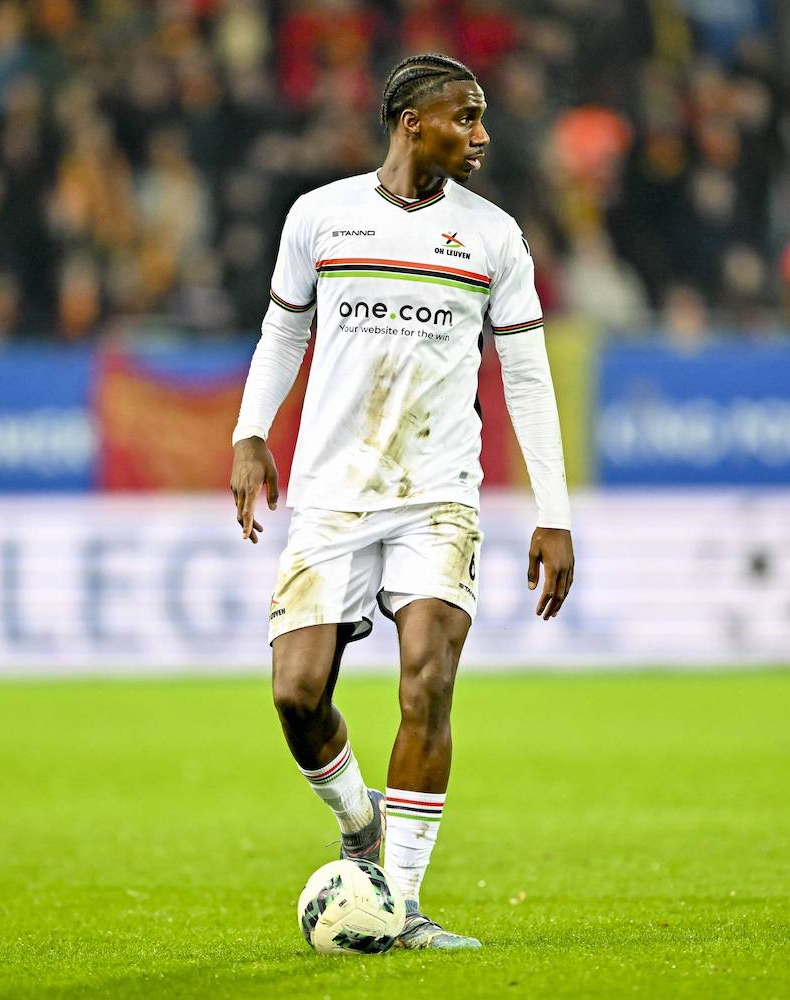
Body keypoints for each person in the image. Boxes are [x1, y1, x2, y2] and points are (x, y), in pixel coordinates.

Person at [228, 53, 574, 950]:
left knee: (427, 679)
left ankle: (404, 904)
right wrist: (249, 431)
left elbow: (527, 376)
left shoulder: (493, 236)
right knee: (297, 695)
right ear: (412, 122)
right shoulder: (321, 217)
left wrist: (554, 509)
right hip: (334, 492)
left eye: (484, 117)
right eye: (466, 118)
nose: (482, 136)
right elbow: (282, 329)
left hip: (439, 491)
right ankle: (358, 822)